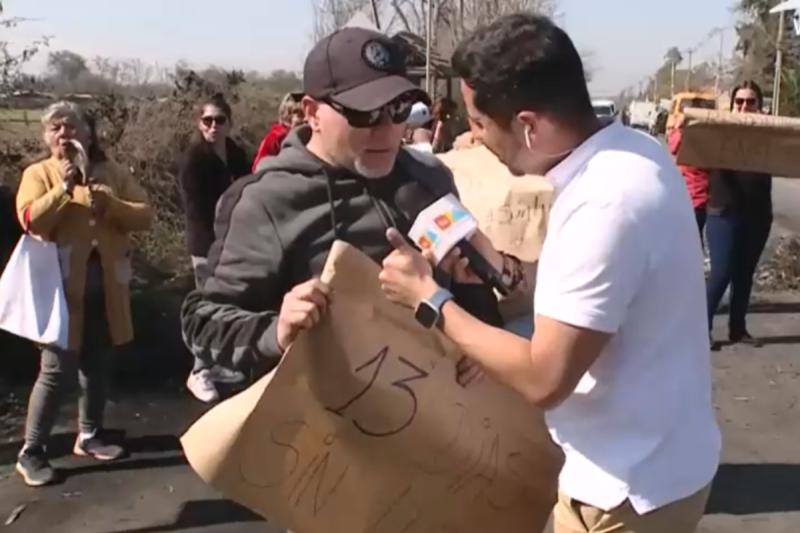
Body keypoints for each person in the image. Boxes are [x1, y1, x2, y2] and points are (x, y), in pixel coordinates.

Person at [378, 14, 720, 533]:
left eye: (478, 122)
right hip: (664, 462)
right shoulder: (631, 154)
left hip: (625, 490)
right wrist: (497, 267)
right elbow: (600, 295)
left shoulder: (603, 203)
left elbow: (543, 379)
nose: (474, 138)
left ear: (528, 125)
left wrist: (429, 298)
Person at [180, 27, 501, 387]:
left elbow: (469, 282)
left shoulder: (431, 177)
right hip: (327, 429)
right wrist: (275, 331)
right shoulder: (265, 201)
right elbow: (202, 324)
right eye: (363, 114)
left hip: (440, 418)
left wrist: (481, 333)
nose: (385, 129)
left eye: (398, 110)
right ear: (312, 113)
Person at [14, 101, 153, 487]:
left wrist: (111, 204)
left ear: (88, 134)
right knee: (55, 371)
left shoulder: (113, 172)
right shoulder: (37, 174)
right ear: (46, 137)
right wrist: (64, 189)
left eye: (71, 126)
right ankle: (32, 450)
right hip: (59, 293)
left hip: (107, 289)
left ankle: (89, 434)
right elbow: (30, 221)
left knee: (98, 362)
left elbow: (144, 215)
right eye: (55, 128)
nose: (64, 134)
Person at [178, 94, 249, 403]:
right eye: (207, 120)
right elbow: (197, 209)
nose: (213, 126)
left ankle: (219, 362)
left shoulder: (236, 154)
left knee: (229, 303)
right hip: (207, 243)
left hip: (235, 239)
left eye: (220, 120)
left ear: (229, 123)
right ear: (199, 123)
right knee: (207, 305)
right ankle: (199, 370)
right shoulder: (194, 160)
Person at [706, 81, 772, 349]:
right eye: (740, 102)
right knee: (721, 272)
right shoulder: (719, 131)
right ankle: (701, 329)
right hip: (723, 212)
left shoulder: (770, 134)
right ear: (732, 105)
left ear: (760, 106)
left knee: (745, 273)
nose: (745, 106)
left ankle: (738, 329)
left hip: (757, 214)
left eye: (751, 102)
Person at [667, 118, 709, 239]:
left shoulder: (686, 140)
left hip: (692, 200)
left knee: (688, 238)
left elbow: (672, 146)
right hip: (702, 200)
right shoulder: (710, 141)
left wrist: (679, 128)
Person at [251, 92, 305, 171]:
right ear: (288, 116)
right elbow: (258, 167)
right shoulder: (277, 136)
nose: (305, 119)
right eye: (300, 115)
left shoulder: (298, 136)